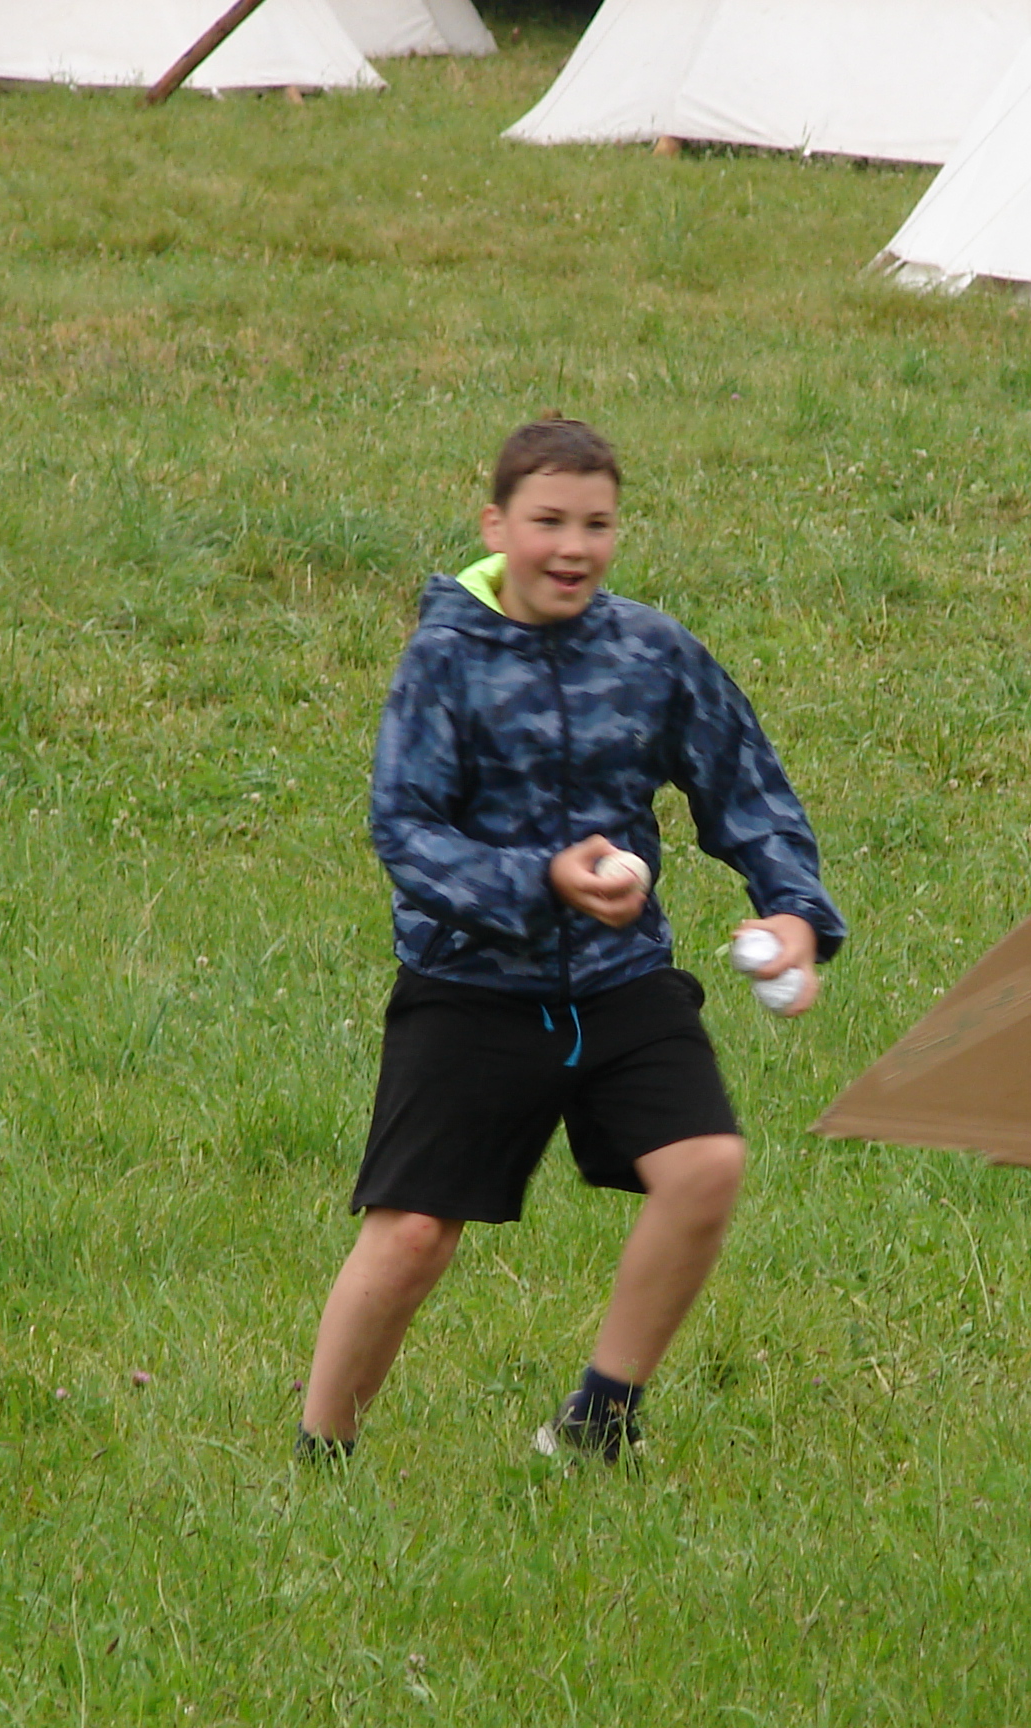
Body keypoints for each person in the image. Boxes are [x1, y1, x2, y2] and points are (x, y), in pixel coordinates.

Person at [297, 417, 844, 1466]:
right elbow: (404, 830)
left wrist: (793, 913)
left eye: (597, 524)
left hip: (620, 979)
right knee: (414, 1235)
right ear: (496, 526)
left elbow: (748, 787)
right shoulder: (445, 660)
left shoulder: (652, 652)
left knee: (707, 1165)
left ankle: (599, 1421)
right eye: (548, 521)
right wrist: (540, 880)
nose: (573, 547)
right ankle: (322, 1452)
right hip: (468, 985)